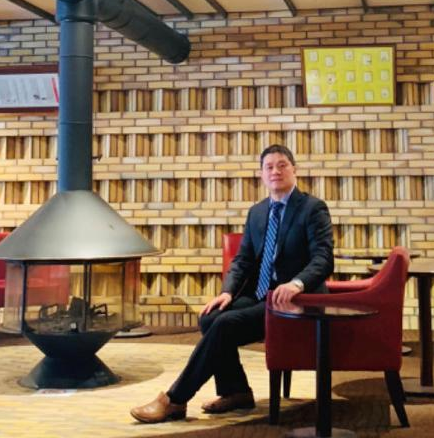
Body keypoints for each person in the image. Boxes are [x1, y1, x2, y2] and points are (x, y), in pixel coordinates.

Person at [131, 144, 334, 422]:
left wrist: (297, 284)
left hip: (296, 302)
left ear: (294, 170)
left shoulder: (312, 209)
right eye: (269, 167)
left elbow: (323, 259)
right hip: (261, 296)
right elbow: (243, 260)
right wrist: (227, 292)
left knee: (225, 325)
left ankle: (175, 399)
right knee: (211, 317)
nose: (275, 171)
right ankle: (236, 391)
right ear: (262, 175)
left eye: (282, 165)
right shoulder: (258, 212)